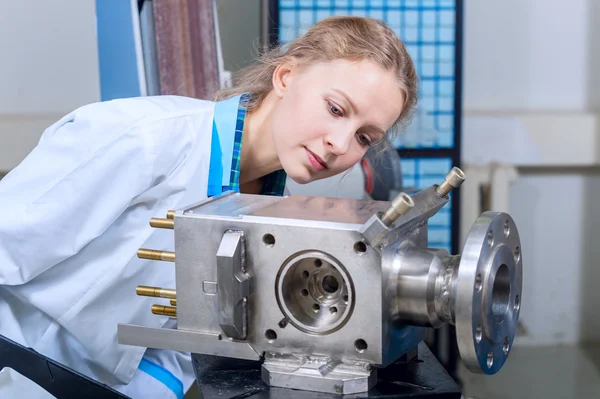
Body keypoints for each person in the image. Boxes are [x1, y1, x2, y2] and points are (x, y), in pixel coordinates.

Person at [0, 15, 418, 399]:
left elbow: (188, 339)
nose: (340, 144)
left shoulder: (270, 210)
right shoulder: (144, 140)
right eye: (335, 109)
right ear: (286, 76)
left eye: (365, 137)